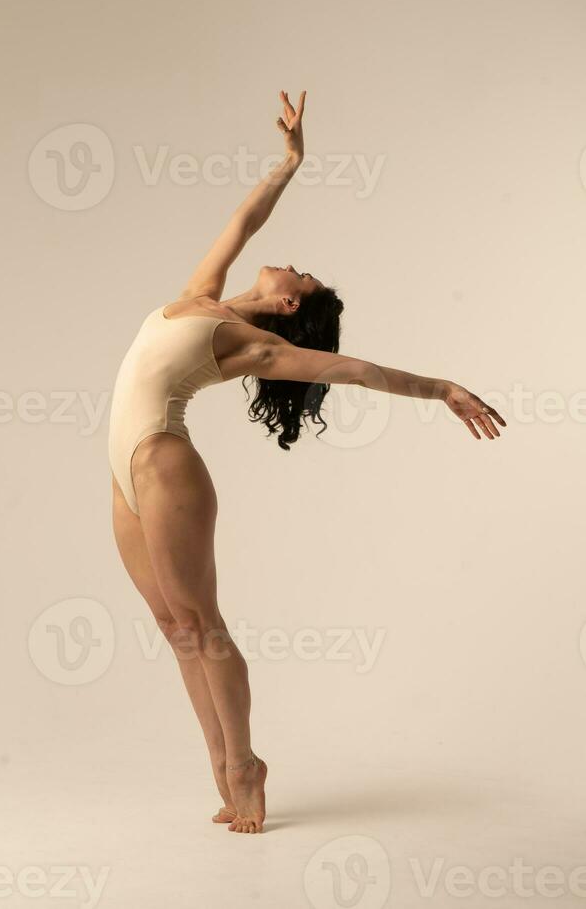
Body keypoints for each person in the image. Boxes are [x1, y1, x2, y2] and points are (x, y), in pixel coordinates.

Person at [108, 90, 506, 835]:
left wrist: (440, 388)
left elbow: (356, 371)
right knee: (173, 627)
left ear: (291, 307)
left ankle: (243, 766)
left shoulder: (260, 346)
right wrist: (290, 162)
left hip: (164, 466)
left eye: (306, 278)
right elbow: (244, 220)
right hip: (122, 471)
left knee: (200, 620)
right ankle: (221, 769)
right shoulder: (203, 296)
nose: (297, 267)